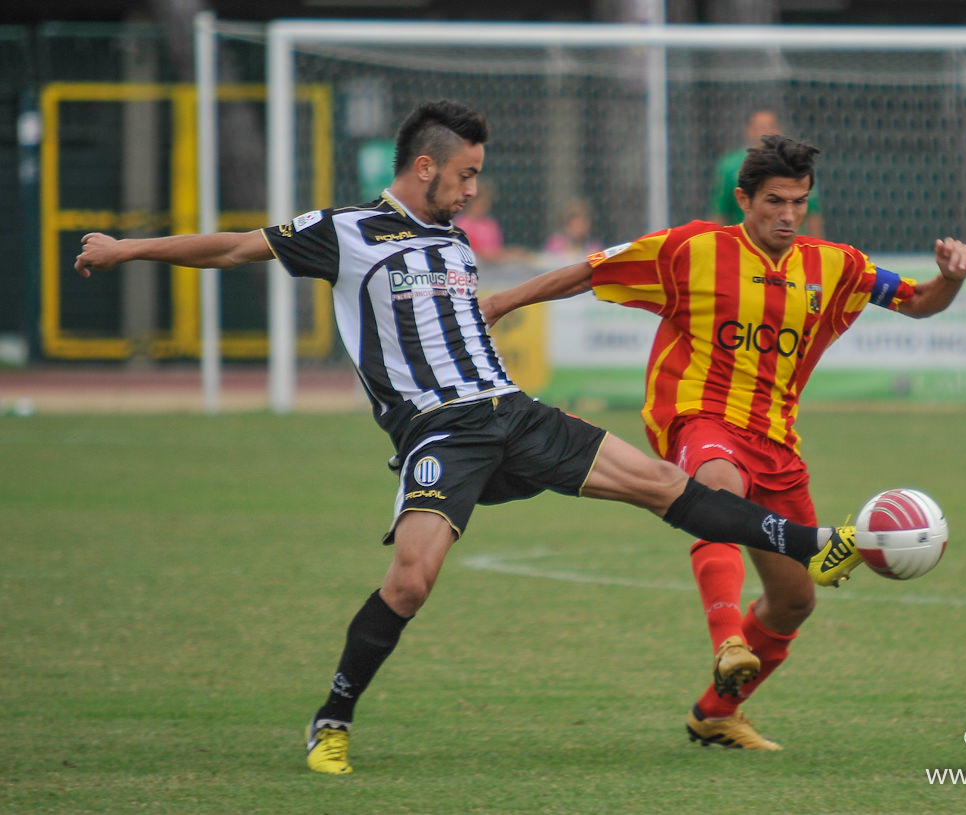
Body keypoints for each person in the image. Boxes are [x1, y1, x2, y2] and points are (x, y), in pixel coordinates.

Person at [73, 100, 864, 775]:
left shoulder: (456, 243)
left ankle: (814, 542)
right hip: (439, 434)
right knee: (411, 579)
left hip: (512, 413)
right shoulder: (345, 232)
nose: (474, 188)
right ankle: (331, 722)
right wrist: (126, 249)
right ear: (425, 167)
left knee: (664, 484)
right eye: (466, 174)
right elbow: (233, 245)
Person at [483, 134, 966, 751]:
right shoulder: (691, 249)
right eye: (775, 201)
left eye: (799, 201)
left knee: (795, 601)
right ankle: (728, 644)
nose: (789, 215)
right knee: (718, 486)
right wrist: (502, 300)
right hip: (697, 417)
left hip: (776, 442)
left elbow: (920, 301)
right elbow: (592, 270)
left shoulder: (837, 264)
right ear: (743, 199)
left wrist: (949, 278)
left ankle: (715, 714)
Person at [709, 108, 824, 239]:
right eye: (760, 127)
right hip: (749, 244)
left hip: (792, 245)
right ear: (748, 131)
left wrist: (817, 244)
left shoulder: (797, 164)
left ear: (779, 130)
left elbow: (814, 212)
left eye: (771, 126)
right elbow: (720, 211)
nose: (766, 132)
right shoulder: (730, 166)